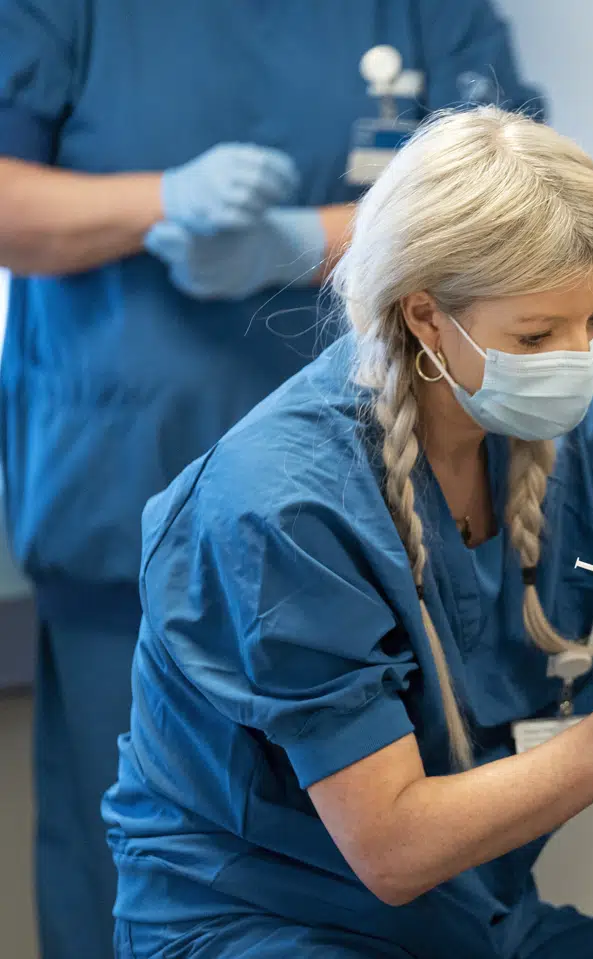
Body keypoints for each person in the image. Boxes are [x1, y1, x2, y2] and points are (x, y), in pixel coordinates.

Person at [101, 106, 593, 959]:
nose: (577, 362)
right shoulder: (282, 508)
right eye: (537, 334)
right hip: (269, 923)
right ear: (427, 316)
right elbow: (391, 850)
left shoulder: (563, 425)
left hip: (471, 920)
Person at [0, 4, 545, 954]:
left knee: (393, 879)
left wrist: (303, 242)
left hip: (379, 521)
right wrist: (157, 202)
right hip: (121, 496)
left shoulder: (425, 13)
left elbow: (505, 196)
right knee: (136, 876)